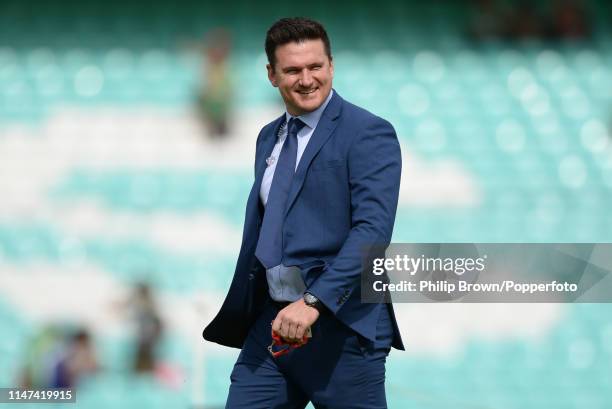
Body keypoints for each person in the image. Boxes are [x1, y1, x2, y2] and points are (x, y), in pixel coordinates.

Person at [203, 17, 403, 408]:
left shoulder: (369, 132)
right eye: (292, 70)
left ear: (332, 65)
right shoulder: (267, 137)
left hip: (342, 325)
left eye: (316, 67)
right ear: (272, 75)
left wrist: (314, 303)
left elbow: (372, 232)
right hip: (273, 322)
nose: (307, 79)